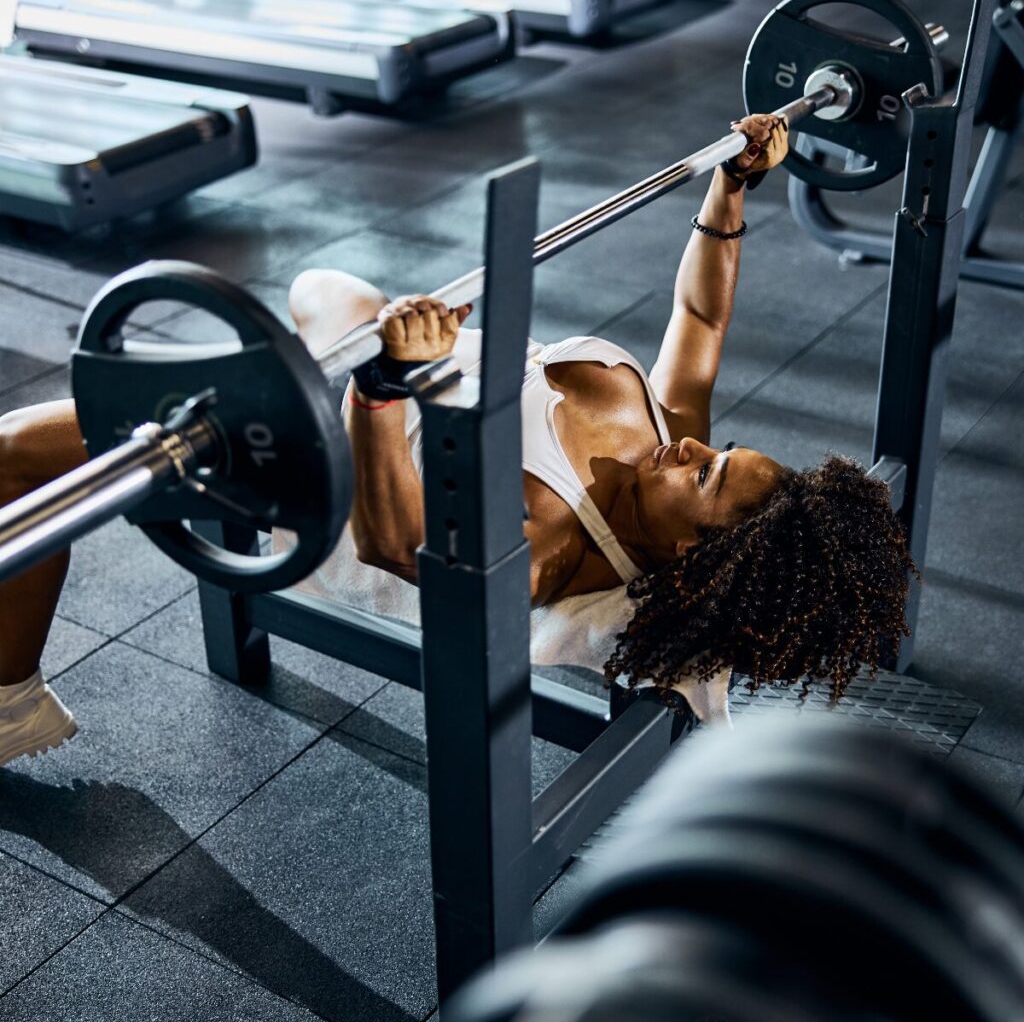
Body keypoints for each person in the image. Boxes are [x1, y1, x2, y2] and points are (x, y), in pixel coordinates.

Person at [0, 114, 915, 767]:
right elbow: (698, 319)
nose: (693, 450)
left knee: (15, 454)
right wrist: (732, 183)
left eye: (707, 477)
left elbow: (396, 547)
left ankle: (10, 701)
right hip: (415, 354)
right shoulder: (667, 448)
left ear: (688, 552)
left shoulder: (551, 550)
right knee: (327, 286)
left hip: (323, 450)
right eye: (717, 451)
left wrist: (383, 386)